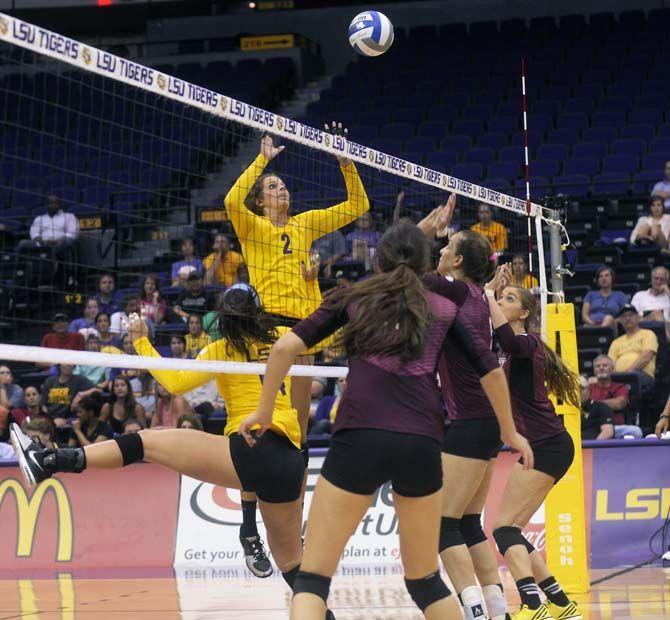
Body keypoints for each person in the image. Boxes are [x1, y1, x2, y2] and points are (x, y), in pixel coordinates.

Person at [239, 221, 531, 620]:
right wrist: (511, 431)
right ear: (428, 263)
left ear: (378, 258)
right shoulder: (444, 307)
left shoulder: (352, 296)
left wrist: (265, 411)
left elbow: (284, 348)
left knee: (313, 579)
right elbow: (492, 372)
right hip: (421, 442)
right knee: (425, 580)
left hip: (359, 437)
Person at [9, 284, 318, 600]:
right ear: (258, 312)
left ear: (222, 319)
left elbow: (175, 383)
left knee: (146, 442)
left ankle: (48, 460)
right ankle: (257, 541)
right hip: (290, 458)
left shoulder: (222, 349)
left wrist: (141, 340)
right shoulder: (283, 336)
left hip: (249, 451)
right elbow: (312, 344)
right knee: (294, 566)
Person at [224, 126, 371, 536]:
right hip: (266, 334)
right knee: (261, 429)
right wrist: (262, 162)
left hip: (304, 337)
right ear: (260, 199)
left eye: (283, 185)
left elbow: (358, 205)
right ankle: (249, 525)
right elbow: (230, 199)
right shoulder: (251, 227)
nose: (282, 189)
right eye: (273, 187)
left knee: (298, 438)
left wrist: (345, 161)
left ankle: (297, 519)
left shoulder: (305, 225)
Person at [427, 229, 518, 620]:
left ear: (459, 262)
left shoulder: (457, 292)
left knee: (442, 523)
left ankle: (474, 609)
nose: (443, 252)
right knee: (467, 523)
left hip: (469, 420)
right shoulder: (479, 296)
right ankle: (498, 609)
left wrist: (428, 230)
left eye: (448, 248)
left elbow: (405, 272)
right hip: (487, 421)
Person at [485, 283, 582, 620]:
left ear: (524, 313)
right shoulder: (508, 349)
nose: (500, 301)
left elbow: (508, 340)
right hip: (542, 445)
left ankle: (531, 604)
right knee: (511, 529)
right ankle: (559, 603)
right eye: (501, 297)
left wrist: (485, 293)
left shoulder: (525, 343)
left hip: (548, 445)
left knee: (503, 528)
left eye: (508, 299)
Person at [587, 355, 642, 439]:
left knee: (636, 431)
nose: (601, 368)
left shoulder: (620, 387)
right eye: (598, 366)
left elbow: (619, 404)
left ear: (612, 368)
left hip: (615, 427)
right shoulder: (588, 387)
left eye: (605, 365)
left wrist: (594, 403)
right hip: (592, 427)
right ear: (594, 370)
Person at [607, 304, 658, 394]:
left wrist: (628, 373)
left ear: (638, 317)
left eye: (631, 315)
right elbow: (610, 363)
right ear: (620, 321)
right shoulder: (616, 342)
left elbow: (646, 357)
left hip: (641, 374)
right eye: (624, 316)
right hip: (619, 377)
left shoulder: (647, 334)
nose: (627, 318)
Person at [0, 365, 25, 441]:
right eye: (2, 373)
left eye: (8, 372)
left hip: (11, 420)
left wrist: (3, 388)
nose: (5, 374)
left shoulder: (17, 390)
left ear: (11, 377)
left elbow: (6, 407)